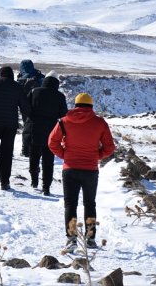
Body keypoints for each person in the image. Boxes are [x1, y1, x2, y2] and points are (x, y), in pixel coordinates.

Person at [48, 93, 116, 251]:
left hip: (70, 169)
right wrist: (97, 155)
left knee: (70, 205)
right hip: (90, 170)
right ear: (91, 106)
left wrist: (64, 155)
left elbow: (52, 142)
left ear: (75, 105)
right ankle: (90, 239)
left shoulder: (64, 121)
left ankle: (71, 239)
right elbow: (110, 147)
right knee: (90, 204)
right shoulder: (100, 123)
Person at [25, 71, 67, 195]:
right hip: (51, 131)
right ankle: (46, 187)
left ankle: (34, 180)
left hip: (34, 128)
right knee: (48, 161)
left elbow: (26, 108)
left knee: (34, 156)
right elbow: (63, 114)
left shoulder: (34, 91)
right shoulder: (60, 96)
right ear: (56, 83)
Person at [17, 59, 45, 156]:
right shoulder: (40, 77)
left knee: (27, 129)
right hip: (40, 107)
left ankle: (25, 150)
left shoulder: (21, 79)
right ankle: (39, 149)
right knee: (39, 129)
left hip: (26, 108)